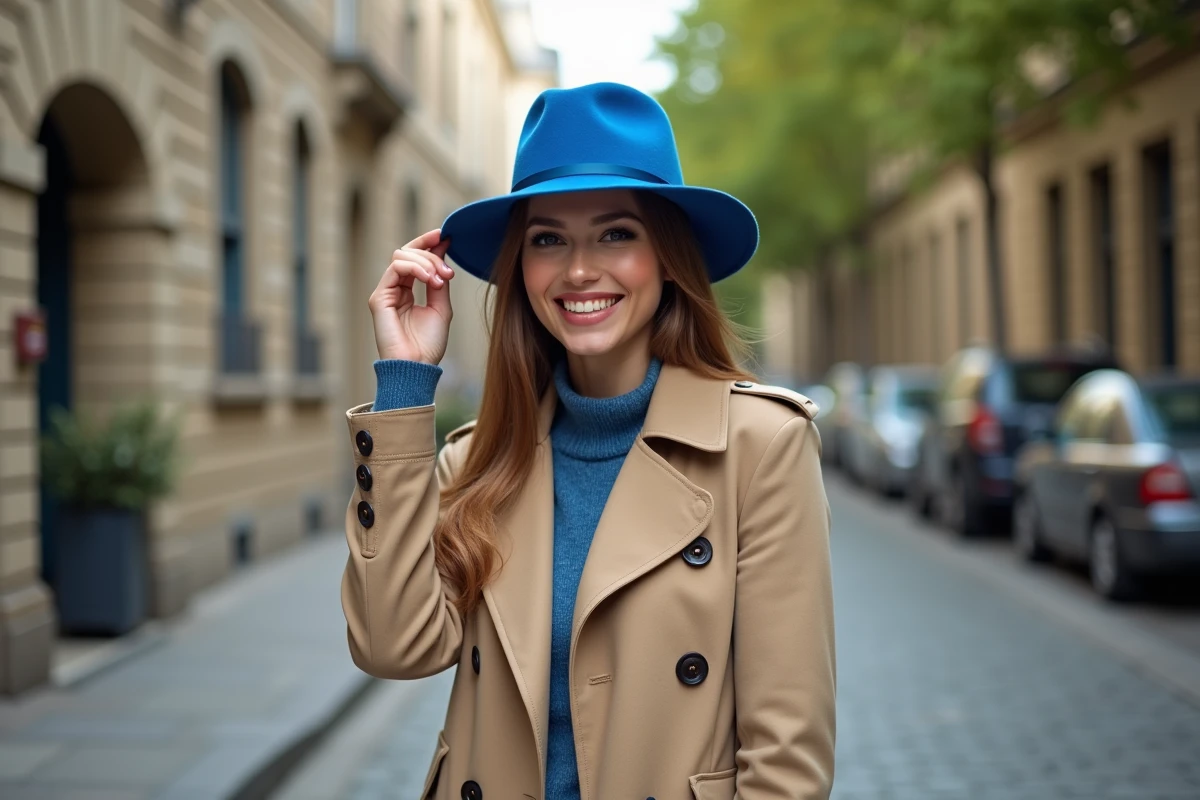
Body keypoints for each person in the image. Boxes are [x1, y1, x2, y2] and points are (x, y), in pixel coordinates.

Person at [341, 82, 835, 800]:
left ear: (668, 257)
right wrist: (406, 385)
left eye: (616, 233)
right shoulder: (477, 461)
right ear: (522, 270)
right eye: (548, 240)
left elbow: (786, 763)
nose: (578, 270)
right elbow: (395, 647)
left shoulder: (760, 447)